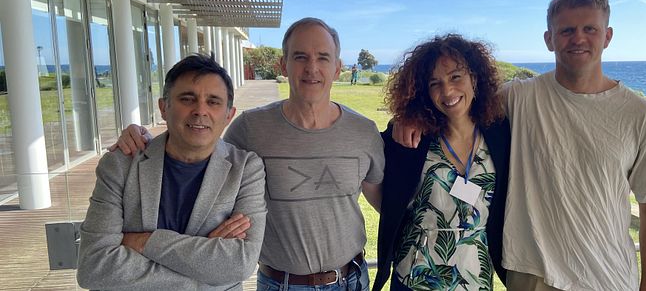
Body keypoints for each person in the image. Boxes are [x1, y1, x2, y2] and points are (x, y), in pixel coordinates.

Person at [395, 0, 646, 291]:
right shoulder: (519, 97)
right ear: (549, 39)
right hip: (529, 277)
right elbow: (455, 100)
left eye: (590, 29)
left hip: (606, 277)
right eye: (566, 30)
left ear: (608, 35)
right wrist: (409, 116)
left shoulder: (641, 115)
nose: (578, 39)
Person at [113, 17, 385, 291]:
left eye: (323, 58)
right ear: (283, 65)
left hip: (353, 279)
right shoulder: (249, 129)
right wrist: (144, 138)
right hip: (282, 284)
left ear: (338, 68)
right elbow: (197, 143)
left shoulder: (364, 132)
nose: (311, 68)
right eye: (300, 56)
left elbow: (383, 201)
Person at [77, 54, 267, 290]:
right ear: (163, 107)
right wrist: (205, 274)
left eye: (213, 102)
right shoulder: (120, 165)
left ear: (229, 115)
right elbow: (93, 267)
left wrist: (146, 242)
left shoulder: (245, 170)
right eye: (187, 99)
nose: (200, 110)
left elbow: (240, 264)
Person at [374, 34, 510, 291]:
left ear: (475, 77)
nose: (447, 91)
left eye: (456, 77)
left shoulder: (500, 133)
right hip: (415, 276)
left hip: (475, 278)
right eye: (435, 83)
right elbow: (370, 169)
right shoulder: (412, 138)